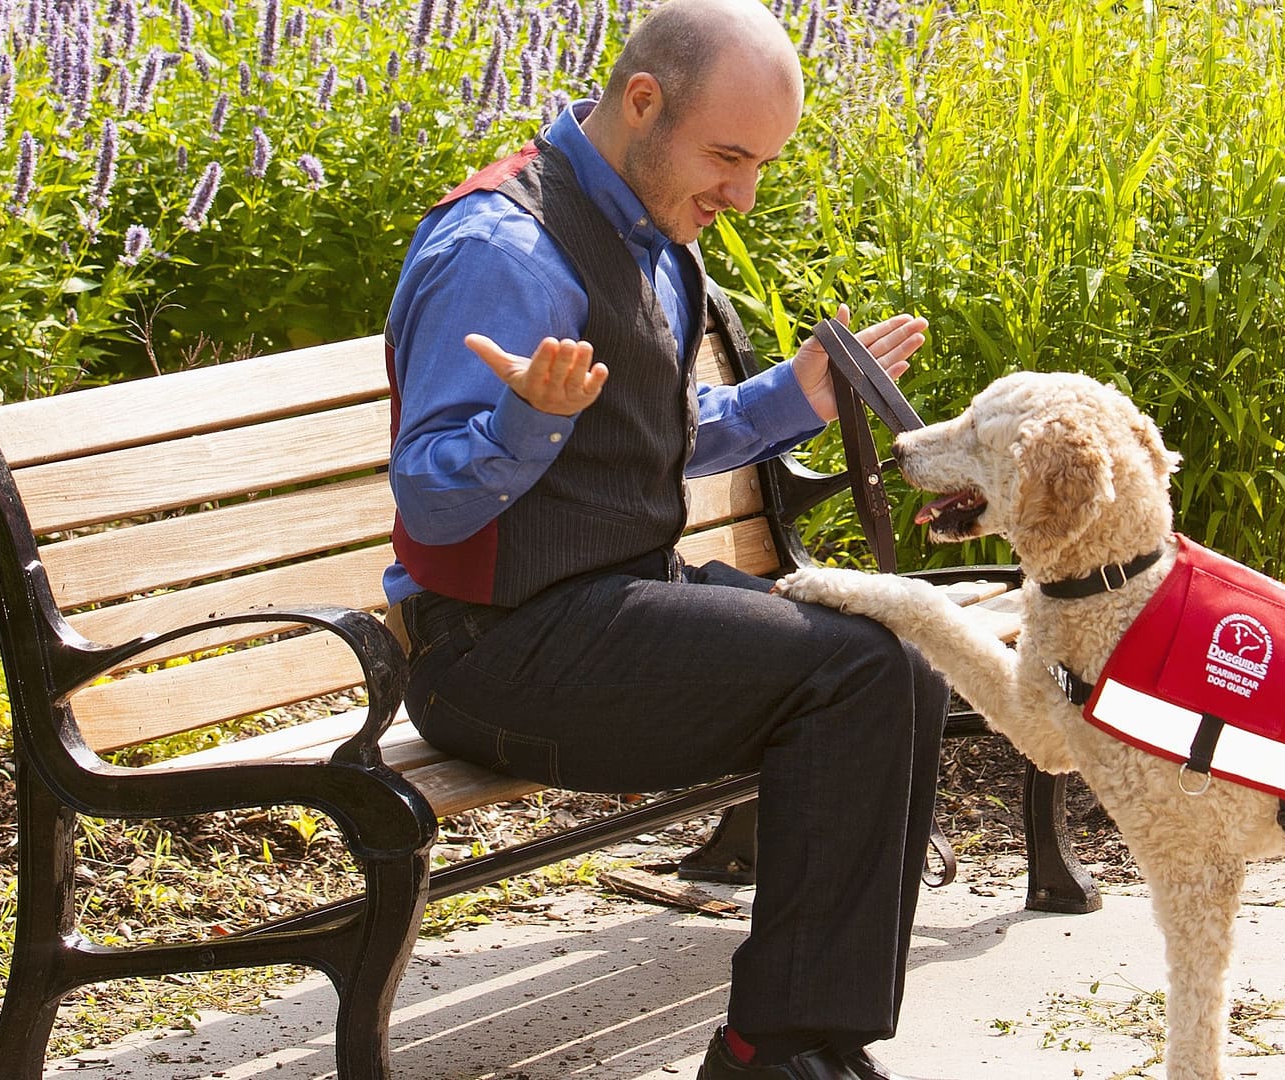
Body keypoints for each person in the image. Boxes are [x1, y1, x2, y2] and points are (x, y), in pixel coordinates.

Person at [382, 1, 953, 1077]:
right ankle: (771, 1053)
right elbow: (432, 504)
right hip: (486, 649)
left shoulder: (650, 235)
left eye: (760, 166)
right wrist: (526, 421)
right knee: (854, 673)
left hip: (607, 608)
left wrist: (800, 395)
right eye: (728, 157)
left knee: (901, 654)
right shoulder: (500, 249)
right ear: (642, 102)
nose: (739, 195)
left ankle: (811, 1042)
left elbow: (658, 437)